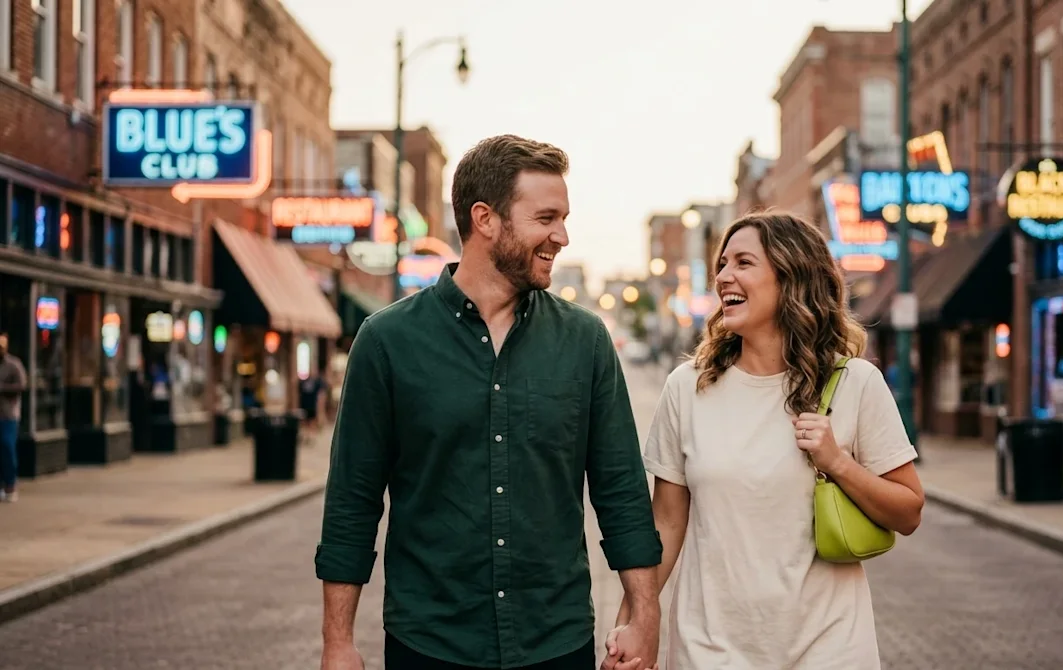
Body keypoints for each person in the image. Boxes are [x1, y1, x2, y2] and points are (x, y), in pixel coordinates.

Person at [315, 134, 663, 670]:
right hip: (429, 642)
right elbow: (352, 502)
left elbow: (620, 490)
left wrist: (644, 616)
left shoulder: (586, 342)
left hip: (556, 641)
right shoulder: (386, 342)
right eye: (545, 218)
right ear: (486, 219)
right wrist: (337, 641)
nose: (562, 236)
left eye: (563, 218)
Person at [605, 212, 925, 669]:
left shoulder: (855, 383)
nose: (723, 277)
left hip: (828, 647)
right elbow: (666, 525)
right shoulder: (687, 388)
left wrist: (837, 462)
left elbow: (908, 511)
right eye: (722, 263)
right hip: (711, 650)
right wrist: (635, 622)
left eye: (743, 262)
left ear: (791, 277)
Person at [0, 331, 28, 503]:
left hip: (9, 414)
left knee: (7, 446)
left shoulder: (13, 364)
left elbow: (22, 385)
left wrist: (3, 388)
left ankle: (10, 484)